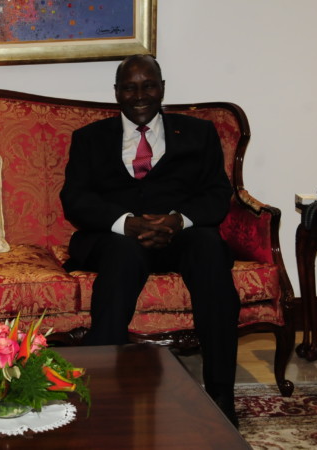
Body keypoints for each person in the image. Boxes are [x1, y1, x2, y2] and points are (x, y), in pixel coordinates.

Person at [60, 54, 241, 427]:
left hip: (181, 236)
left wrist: (179, 220)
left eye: (148, 85)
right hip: (116, 240)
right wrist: (124, 223)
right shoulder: (89, 139)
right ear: (117, 93)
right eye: (130, 87)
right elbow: (75, 199)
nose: (140, 95)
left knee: (208, 249)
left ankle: (221, 394)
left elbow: (216, 194)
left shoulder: (197, 133)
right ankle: (101, 391)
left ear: (162, 89)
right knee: (124, 255)